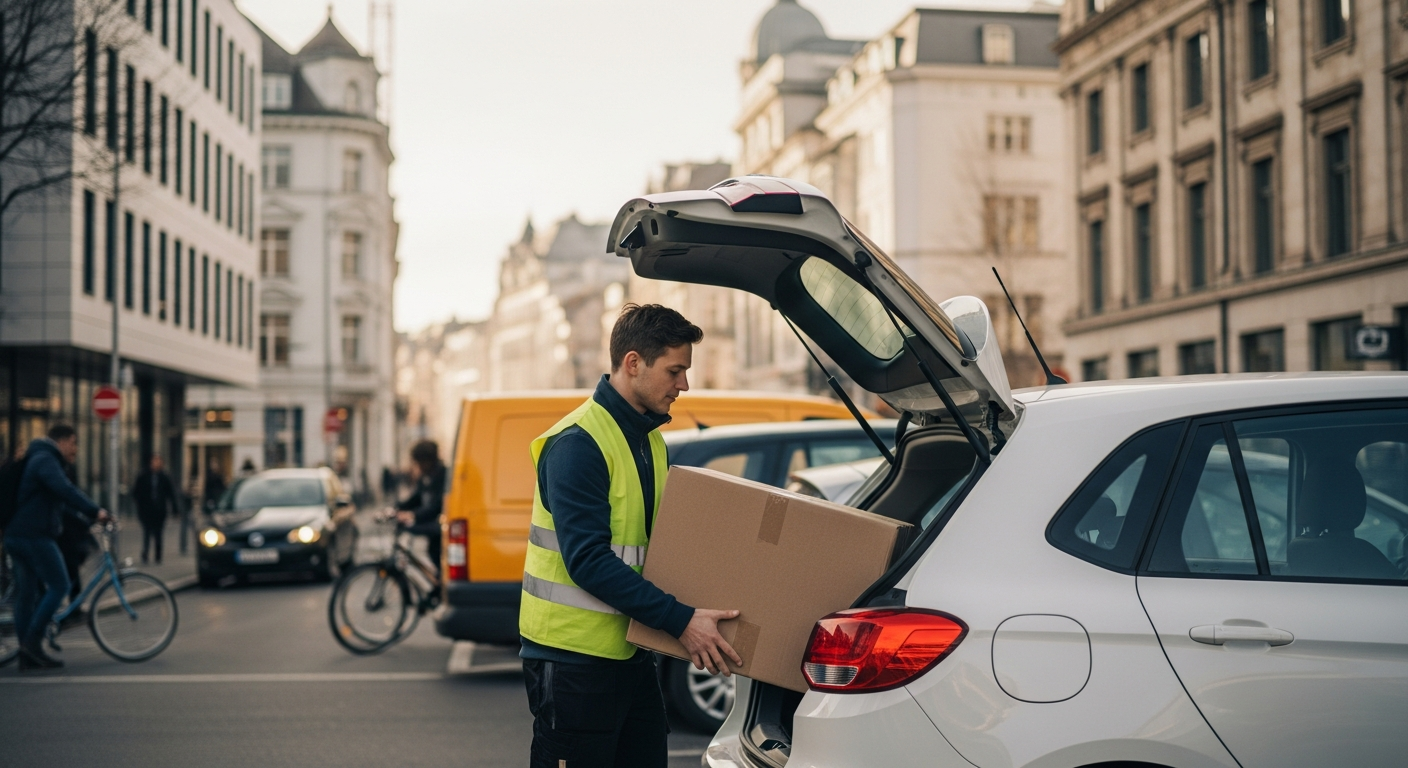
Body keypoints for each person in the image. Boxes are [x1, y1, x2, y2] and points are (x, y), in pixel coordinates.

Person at [520, 304, 741, 768]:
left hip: (630, 652)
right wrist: (681, 620)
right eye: (675, 370)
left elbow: (654, 544)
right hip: (574, 663)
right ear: (633, 363)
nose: (684, 385)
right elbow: (589, 561)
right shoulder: (578, 445)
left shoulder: (647, 439)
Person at [6, 424, 109, 670]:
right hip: (33, 536)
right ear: (62, 441)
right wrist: (96, 511)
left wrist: (85, 520)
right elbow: (65, 490)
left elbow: (57, 503)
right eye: (74, 443)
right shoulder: (46, 459)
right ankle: (31, 643)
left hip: (18, 534)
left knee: (27, 593)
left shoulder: (37, 457)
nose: (75, 449)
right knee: (60, 584)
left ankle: (27, 653)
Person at [394, 441, 445, 574]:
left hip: (442, 524)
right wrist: (397, 508)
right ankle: (438, 580)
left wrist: (413, 515)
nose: (418, 466)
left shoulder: (443, 475)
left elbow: (437, 505)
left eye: (420, 462)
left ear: (427, 460)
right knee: (432, 551)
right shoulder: (426, 475)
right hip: (432, 522)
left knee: (436, 553)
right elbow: (416, 498)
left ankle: (440, 583)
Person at [130, 455, 179, 565]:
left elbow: (171, 494)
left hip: (160, 511)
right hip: (146, 510)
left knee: (158, 534)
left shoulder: (164, 477)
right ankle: (145, 554)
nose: (156, 464)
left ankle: (158, 555)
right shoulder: (143, 476)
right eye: (154, 462)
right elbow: (136, 492)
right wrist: (140, 505)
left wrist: (175, 510)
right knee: (147, 533)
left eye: (158, 462)